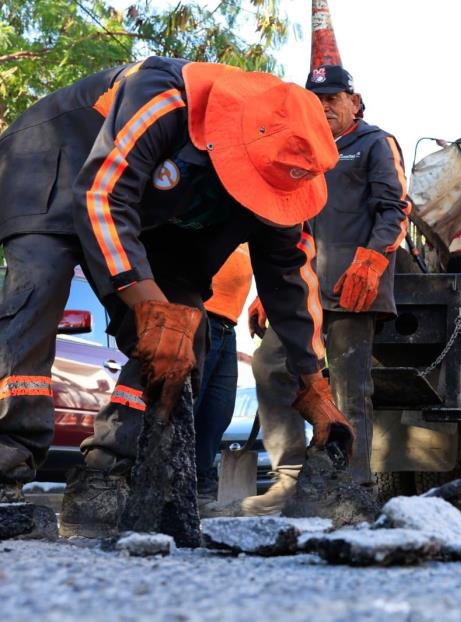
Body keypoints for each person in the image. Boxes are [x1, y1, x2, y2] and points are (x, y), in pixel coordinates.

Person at [0, 57, 354, 531]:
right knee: (38, 288)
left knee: (186, 329)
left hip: (153, 214)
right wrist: (144, 303)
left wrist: (313, 381)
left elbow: (291, 279)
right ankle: (5, 466)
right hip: (56, 163)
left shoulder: (287, 167)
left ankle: (110, 473)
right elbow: (103, 195)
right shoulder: (165, 96)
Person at [205, 64, 411, 516]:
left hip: (352, 291)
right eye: (315, 100)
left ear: (354, 101)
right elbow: (286, 223)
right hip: (302, 292)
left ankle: (349, 486)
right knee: (270, 366)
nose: (323, 107)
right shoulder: (303, 148)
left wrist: (373, 261)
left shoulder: (376, 143)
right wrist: (270, 290)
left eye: (333, 98)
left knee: (349, 390)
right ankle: (290, 478)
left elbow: (396, 207)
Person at [194, 243, 253, 502]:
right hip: (197, 315)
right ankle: (172, 479)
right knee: (187, 407)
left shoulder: (255, 219)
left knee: (219, 411)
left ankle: (200, 477)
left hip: (228, 325)